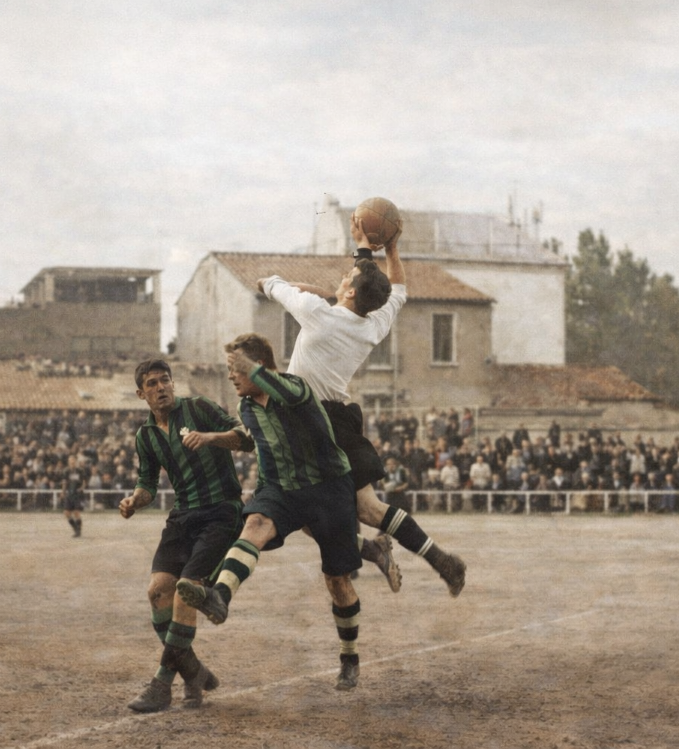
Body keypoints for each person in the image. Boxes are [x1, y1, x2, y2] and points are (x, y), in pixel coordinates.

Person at [255, 203, 465, 597]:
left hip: (306, 420)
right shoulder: (373, 324)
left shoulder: (317, 313)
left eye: (346, 277)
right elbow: (396, 290)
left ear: (350, 290)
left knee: (299, 511)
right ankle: (439, 559)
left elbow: (277, 287)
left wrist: (269, 281)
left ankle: (369, 549)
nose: (342, 276)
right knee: (369, 508)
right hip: (343, 419)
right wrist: (387, 249)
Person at [177, 334, 366, 691]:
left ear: (258, 368)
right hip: (281, 488)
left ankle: (350, 657)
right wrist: (212, 438)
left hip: (328, 488)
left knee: (338, 581)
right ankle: (219, 596)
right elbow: (247, 440)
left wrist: (251, 366)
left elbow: (282, 388)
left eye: (236, 369)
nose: (231, 376)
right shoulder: (246, 407)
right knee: (255, 523)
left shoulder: (294, 388)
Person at [119, 358, 255, 712]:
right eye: (152, 383)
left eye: (165, 380)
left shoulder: (199, 408)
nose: (161, 387)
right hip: (182, 516)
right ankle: (193, 671)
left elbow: (246, 438)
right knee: (157, 592)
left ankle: (162, 685)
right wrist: (135, 500)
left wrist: (210, 437)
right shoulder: (145, 435)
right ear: (141, 393)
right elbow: (147, 483)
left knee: (185, 593)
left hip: (221, 512)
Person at [60, 454, 85, 537]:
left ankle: (79, 530)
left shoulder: (80, 471)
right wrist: (63, 492)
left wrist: (81, 488)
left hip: (77, 494)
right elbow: (64, 482)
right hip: (69, 494)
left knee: (76, 512)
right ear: (68, 462)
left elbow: (84, 482)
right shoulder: (66, 471)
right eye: (70, 461)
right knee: (66, 513)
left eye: (73, 461)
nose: (72, 463)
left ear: (76, 462)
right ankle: (75, 528)